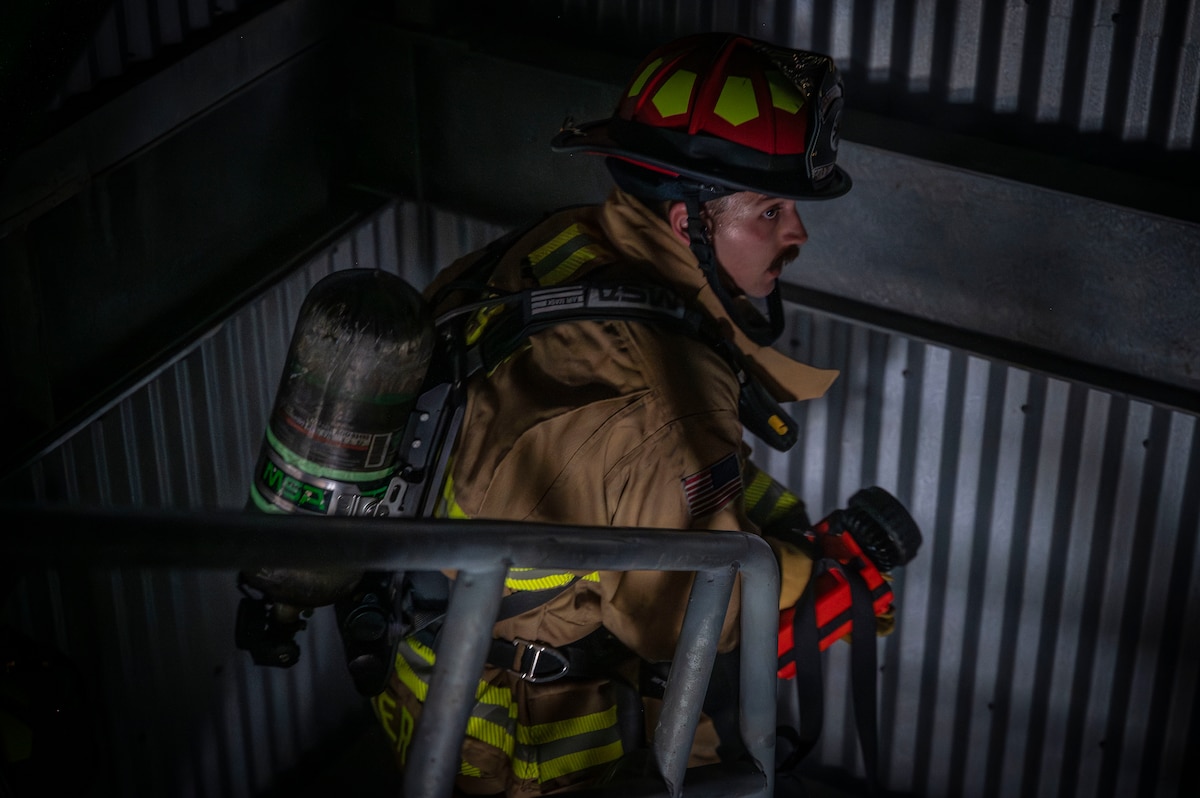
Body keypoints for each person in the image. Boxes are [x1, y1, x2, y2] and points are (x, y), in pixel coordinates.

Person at [370, 32, 887, 796]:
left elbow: (626, 472)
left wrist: (780, 523)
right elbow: (677, 621)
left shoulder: (560, 247)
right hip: (528, 745)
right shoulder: (663, 396)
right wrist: (810, 578)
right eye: (770, 209)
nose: (796, 234)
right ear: (687, 223)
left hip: (418, 668)